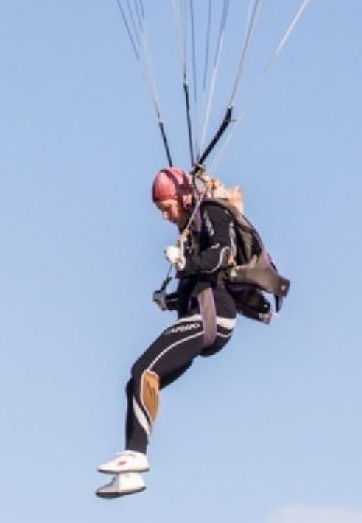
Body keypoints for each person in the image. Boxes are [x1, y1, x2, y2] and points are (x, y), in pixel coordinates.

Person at [95, 167, 245, 499]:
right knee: (140, 381)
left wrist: (184, 264)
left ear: (182, 198)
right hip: (202, 312)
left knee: (143, 370)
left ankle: (135, 455)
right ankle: (132, 471)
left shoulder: (211, 212)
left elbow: (222, 253)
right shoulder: (193, 230)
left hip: (214, 315)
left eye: (167, 208)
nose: (165, 217)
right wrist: (172, 298)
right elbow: (199, 277)